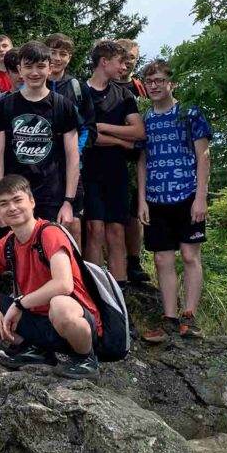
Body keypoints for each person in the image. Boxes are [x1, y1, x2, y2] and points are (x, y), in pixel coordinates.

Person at [0, 175, 103, 379]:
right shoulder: (9, 243)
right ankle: (32, 349)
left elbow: (63, 284)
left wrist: (19, 304)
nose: (12, 208)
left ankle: (85, 357)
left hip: (71, 319)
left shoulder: (49, 233)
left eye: (17, 200)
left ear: (32, 202)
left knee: (60, 305)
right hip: (34, 317)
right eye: (4, 204)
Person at [137, 59, 212, 343]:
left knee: (190, 255)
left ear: (172, 83)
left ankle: (190, 316)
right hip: (156, 197)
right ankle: (169, 318)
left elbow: (204, 156)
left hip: (187, 194)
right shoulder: (145, 120)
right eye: (149, 81)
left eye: (159, 80)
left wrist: (201, 197)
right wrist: (142, 199)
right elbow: (142, 161)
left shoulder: (189, 114)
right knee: (161, 258)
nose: (154, 85)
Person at [0, 42, 80, 225]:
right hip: (14, 196)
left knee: (50, 250)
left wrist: (68, 202)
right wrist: (0, 201)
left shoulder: (63, 106)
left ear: (50, 68)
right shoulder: (5, 106)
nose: (34, 72)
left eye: (40, 66)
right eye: (28, 66)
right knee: (17, 251)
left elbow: (72, 156)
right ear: (19, 70)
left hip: (52, 195)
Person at [83, 39, 145, 285]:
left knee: (116, 231)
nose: (124, 67)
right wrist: (121, 140)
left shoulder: (124, 94)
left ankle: (120, 290)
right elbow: (86, 136)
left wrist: (101, 127)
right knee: (94, 230)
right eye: (120, 62)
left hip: (116, 171)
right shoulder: (80, 92)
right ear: (104, 62)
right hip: (88, 171)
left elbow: (139, 132)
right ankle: (97, 289)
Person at [44, 33, 97, 248]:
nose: (57, 58)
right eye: (52, 52)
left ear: (70, 57)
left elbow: (89, 127)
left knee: (73, 222)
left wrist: (75, 151)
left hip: (72, 166)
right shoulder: (35, 81)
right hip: (42, 165)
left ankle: (75, 273)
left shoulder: (78, 88)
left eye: (63, 54)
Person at [114, 39, 151, 285]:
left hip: (138, 155)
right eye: (124, 56)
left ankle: (134, 260)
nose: (128, 62)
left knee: (135, 212)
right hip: (110, 154)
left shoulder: (141, 89)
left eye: (133, 58)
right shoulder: (102, 84)